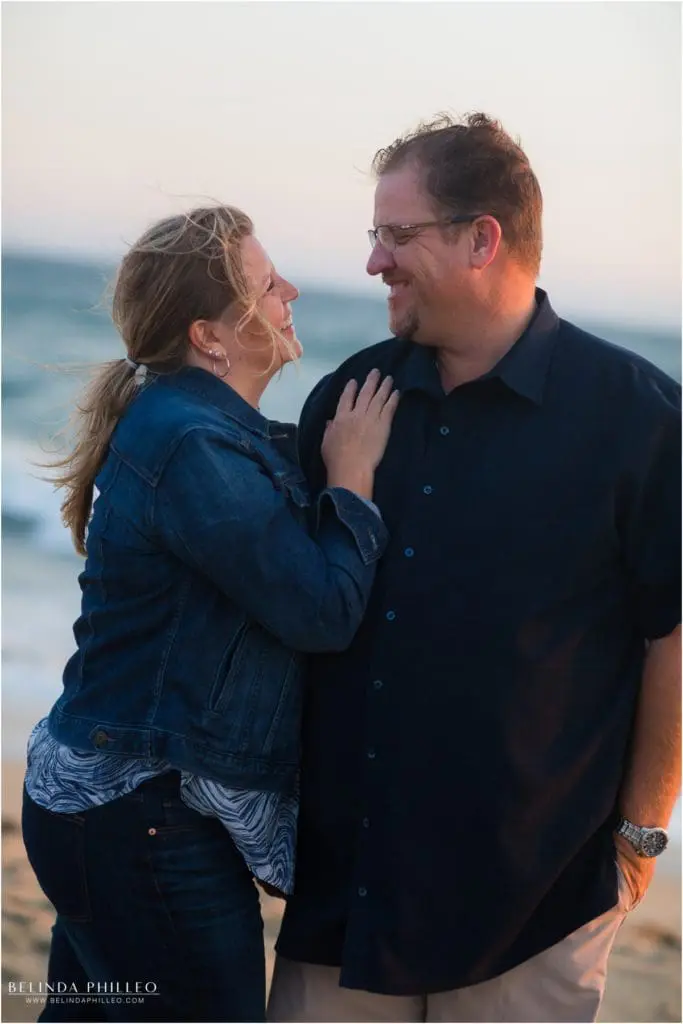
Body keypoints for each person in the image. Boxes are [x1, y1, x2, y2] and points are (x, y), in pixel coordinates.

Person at [268, 114, 682, 1023]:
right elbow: (295, 603)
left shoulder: (641, 420)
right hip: (345, 893)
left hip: (533, 907)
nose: (374, 262)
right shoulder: (349, 400)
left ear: (480, 239)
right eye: (373, 236)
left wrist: (640, 834)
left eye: (396, 235)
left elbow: (673, 634)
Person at [21, 204, 399, 1023]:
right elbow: (321, 612)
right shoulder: (194, 446)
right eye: (267, 287)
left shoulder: (194, 429)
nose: (291, 290)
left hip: (104, 811)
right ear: (209, 336)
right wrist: (353, 480)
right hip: (145, 822)